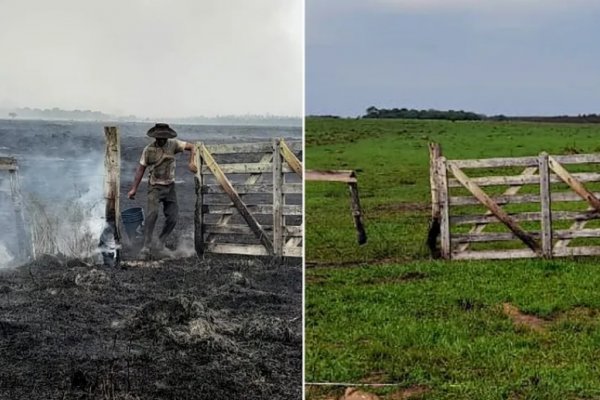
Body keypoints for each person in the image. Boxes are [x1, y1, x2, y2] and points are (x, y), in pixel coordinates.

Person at [127, 123, 196, 257]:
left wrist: (191, 162)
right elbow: (140, 169)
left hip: (170, 187)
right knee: (152, 214)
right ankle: (146, 246)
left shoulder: (174, 145)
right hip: (155, 187)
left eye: (164, 138)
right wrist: (133, 189)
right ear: (155, 138)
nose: (162, 140)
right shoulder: (148, 150)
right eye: (159, 138)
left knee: (173, 217)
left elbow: (192, 146)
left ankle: (160, 242)